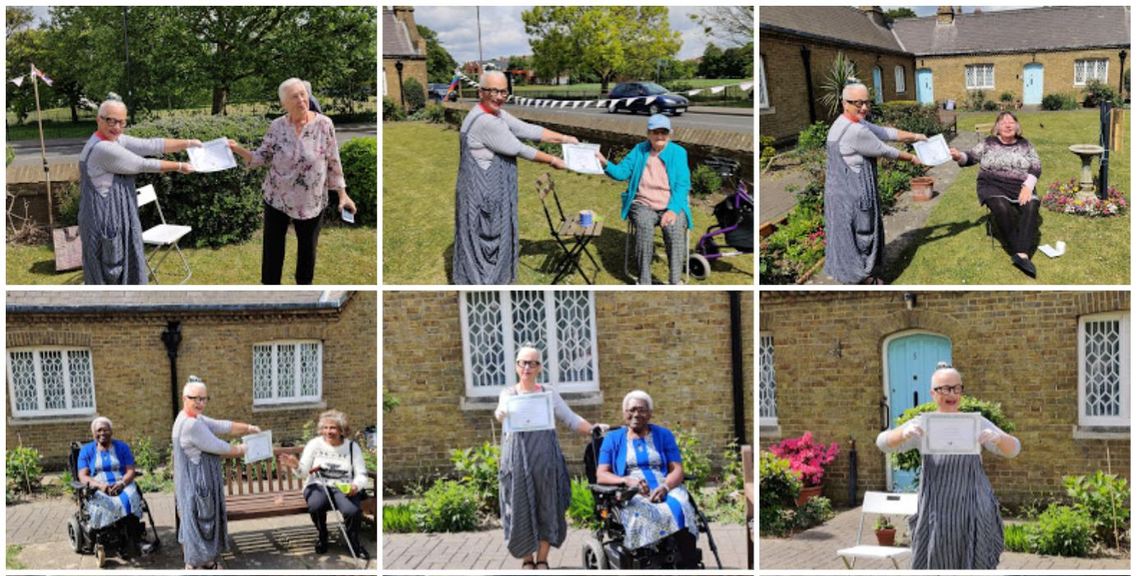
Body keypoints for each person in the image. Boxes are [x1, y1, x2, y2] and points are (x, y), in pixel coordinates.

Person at [876, 363, 1021, 569]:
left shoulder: (976, 423)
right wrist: (903, 433)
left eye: (956, 388)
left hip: (973, 511)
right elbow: (882, 443)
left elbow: (1014, 448)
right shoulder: (922, 424)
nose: (951, 393)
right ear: (932, 394)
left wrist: (998, 439)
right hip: (935, 512)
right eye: (944, 388)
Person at [453, 70, 580, 285]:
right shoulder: (485, 121)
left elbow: (527, 129)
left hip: (492, 192)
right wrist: (553, 160)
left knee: (495, 233)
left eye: (504, 92)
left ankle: (496, 279)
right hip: (483, 193)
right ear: (480, 92)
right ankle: (485, 284)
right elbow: (518, 148)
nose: (500, 96)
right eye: (494, 91)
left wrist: (565, 138)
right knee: (486, 236)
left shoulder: (496, 114)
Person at [228, 78, 357, 285]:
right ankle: (269, 291)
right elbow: (262, 156)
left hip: (311, 201)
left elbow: (334, 161)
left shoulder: (324, 125)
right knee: (272, 251)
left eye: (303, 94)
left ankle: (304, 290)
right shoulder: (277, 126)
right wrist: (237, 149)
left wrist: (343, 194)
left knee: (307, 251)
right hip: (277, 197)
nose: (301, 100)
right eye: (294, 97)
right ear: (284, 104)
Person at [495, 346, 605, 569]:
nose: (527, 367)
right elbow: (501, 411)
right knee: (518, 508)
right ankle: (527, 560)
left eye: (532, 363)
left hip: (545, 461)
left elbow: (570, 418)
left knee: (548, 505)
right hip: (517, 462)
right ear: (516, 366)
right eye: (523, 362)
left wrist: (593, 428)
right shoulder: (508, 393)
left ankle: (543, 559)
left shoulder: (548, 392)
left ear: (539, 367)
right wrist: (501, 412)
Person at [79, 99, 200, 285]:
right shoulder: (102, 147)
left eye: (122, 122)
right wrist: (180, 165)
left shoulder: (114, 139)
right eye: (111, 121)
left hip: (118, 216)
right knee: (110, 269)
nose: (117, 127)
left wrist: (188, 143)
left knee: (124, 263)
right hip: (104, 221)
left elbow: (151, 145)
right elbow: (141, 164)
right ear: (99, 120)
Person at [824, 83, 927, 284]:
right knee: (863, 234)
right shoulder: (855, 131)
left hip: (837, 192)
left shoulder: (845, 123)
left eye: (867, 102)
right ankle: (864, 279)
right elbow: (886, 150)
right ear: (844, 103)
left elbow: (886, 132)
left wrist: (916, 137)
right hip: (855, 194)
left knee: (846, 237)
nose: (864, 108)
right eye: (858, 103)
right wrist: (914, 158)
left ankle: (853, 274)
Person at [595, 390, 700, 567]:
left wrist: (666, 487)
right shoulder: (613, 439)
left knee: (681, 506)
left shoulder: (663, 435)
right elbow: (601, 474)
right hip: (631, 491)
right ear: (624, 413)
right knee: (643, 511)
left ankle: (688, 563)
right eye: (632, 410)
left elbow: (677, 470)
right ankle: (647, 560)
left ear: (650, 414)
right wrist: (627, 481)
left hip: (665, 485)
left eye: (642, 410)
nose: (636, 414)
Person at [171, 376, 261, 569]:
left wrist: (248, 428)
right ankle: (200, 564)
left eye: (204, 399)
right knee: (203, 522)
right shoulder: (191, 424)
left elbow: (221, 425)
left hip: (193, 483)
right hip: (198, 484)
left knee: (200, 522)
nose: (200, 403)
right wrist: (244, 449)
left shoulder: (191, 417)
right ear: (184, 397)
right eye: (196, 398)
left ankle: (203, 562)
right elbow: (219, 446)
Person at [596, 114, 692, 285]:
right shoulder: (639, 150)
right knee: (645, 228)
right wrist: (605, 163)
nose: (660, 136)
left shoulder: (678, 153)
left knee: (675, 230)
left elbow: (683, 185)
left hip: (671, 204)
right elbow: (621, 173)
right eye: (656, 132)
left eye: (664, 132)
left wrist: (673, 210)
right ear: (648, 133)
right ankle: (644, 279)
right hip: (643, 204)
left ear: (670, 134)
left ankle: (675, 280)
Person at [949, 111, 1043, 278]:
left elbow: (1036, 166)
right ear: (997, 127)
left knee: (1032, 205)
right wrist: (958, 156)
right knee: (1001, 207)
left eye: (1011, 122)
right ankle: (1022, 253)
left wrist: (1028, 186)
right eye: (1003, 122)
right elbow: (970, 156)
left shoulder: (1025, 144)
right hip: (992, 184)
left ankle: (1020, 254)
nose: (1007, 125)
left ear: (1017, 127)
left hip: (1020, 185)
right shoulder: (989, 143)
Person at [278, 410, 370, 560]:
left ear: (342, 430)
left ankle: (354, 543)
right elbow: (303, 473)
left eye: (333, 428)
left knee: (352, 511)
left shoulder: (352, 447)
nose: (328, 431)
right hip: (318, 485)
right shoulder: (314, 444)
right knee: (316, 505)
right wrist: (295, 465)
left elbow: (362, 474)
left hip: (343, 486)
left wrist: (356, 486)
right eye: (325, 428)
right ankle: (322, 536)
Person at [76, 417, 150, 553]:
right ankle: (106, 539)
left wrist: (122, 483)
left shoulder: (122, 447)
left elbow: (130, 470)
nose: (102, 433)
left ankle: (136, 539)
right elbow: (83, 476)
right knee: (104, 501)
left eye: (106, 430)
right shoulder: (87, 451)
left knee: (130, 497)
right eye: (99, 430)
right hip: (98, 485)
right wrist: (100, 486)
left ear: (111, 432)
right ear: (94, 434)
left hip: (121, 482)